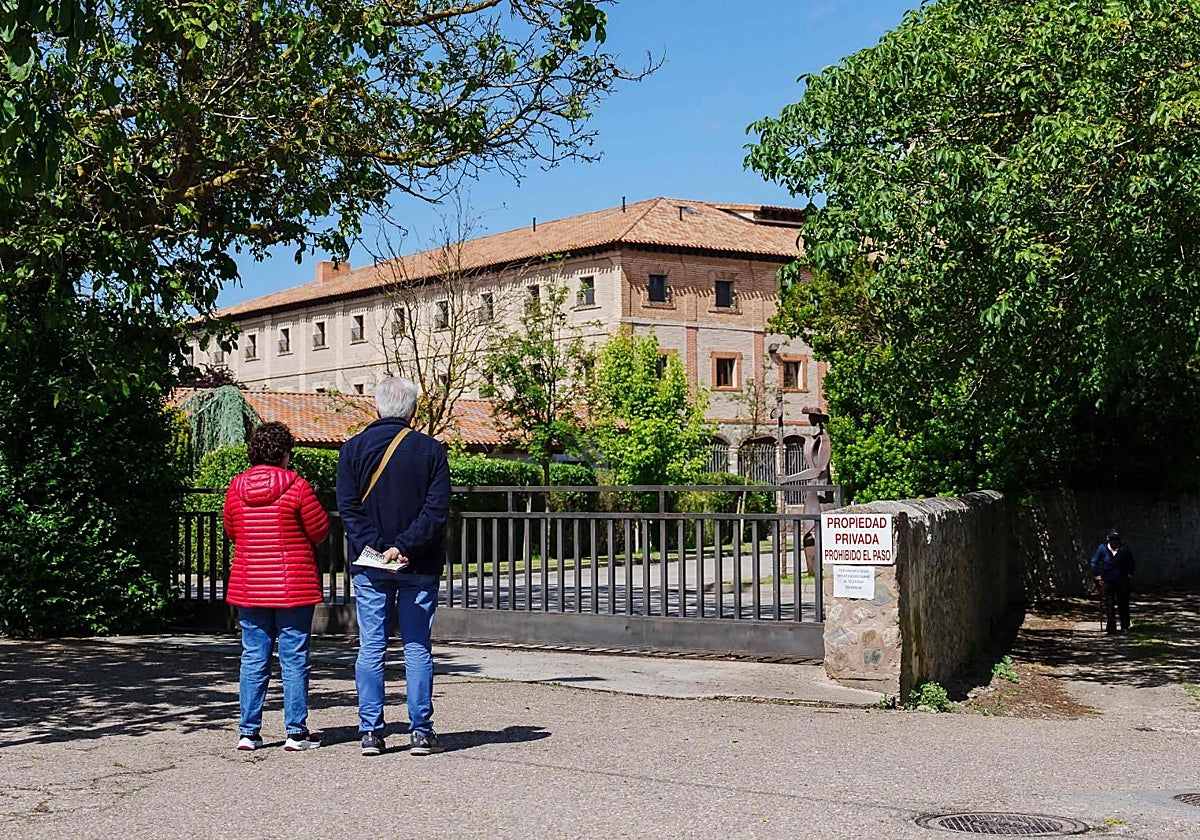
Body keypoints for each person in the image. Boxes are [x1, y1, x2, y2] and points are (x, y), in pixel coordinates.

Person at [337, 377, 451, 757]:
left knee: (372, 646)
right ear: (413, 409)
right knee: (417, 647)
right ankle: (421, 730)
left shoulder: (352, 450)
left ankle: (371, 732)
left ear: (377, 407)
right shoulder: (431, 450)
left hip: (370, 565)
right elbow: (435, 512)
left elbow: (349, 510)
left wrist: (378, 547)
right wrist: (403, 547)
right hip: (419, 563)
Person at [223, 421, 330, 751]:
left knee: (253, 657)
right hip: (292, 586)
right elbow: (319, 531)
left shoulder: (235, 488)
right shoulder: (297, 487)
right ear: (284, 453)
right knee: (294, 659)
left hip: (250, 585)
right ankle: (295, 733)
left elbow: (232, 531)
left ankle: (248, 732)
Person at [1091, 528, 1135, 634]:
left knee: (1123, 604)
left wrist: (1129, 575)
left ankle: (1125, 626)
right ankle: (1111, 627)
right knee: (1109, 604)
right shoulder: (1102, 549)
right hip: (1107, 581)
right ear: (1108, 539)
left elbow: (1131, 564)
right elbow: (1094, 562)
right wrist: (1098, 574)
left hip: (1122, 581)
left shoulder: (1124, 549)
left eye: (1116, 539)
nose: (1114, 541)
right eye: (1112, 538)